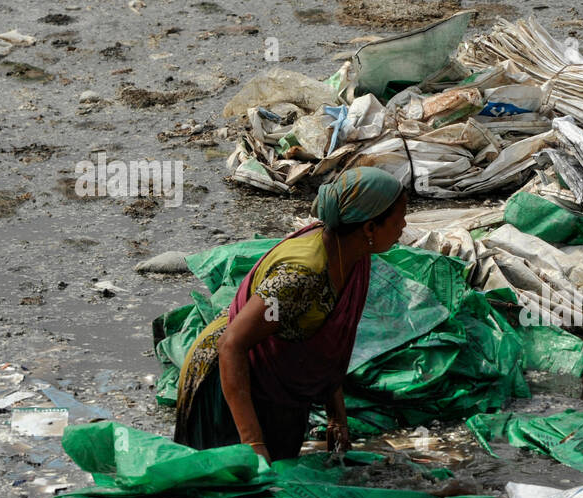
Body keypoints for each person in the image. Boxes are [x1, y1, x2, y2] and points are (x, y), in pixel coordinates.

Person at [174, 167, 408, 462]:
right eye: (399, 216)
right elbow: (233, 344)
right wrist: (253, 444)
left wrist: (336, 414)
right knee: (235, 490)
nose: (404, 224)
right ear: (370, 227)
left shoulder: (352, 256)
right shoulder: (301, 276)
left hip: (279, 387)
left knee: (280, 486)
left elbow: (327, 344)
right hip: (231, 385)